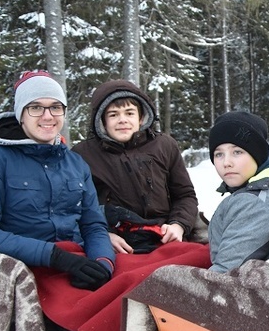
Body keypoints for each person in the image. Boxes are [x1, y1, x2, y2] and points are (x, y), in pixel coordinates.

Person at [0, 70, 116, 331]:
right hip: (30, 268)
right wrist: (56, 258)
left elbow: (93, 224)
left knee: (135, 305)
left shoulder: (75, 164)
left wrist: (103, 263)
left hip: (75, 262)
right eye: (36, 107)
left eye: (55, 107)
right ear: (20, 114)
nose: (48, 116)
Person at [73, 80, 199, 254]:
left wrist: (178, 225)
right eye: (113, 115)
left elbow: (185, 195)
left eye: (129, 113)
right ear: (101, 121)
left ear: (141, 118)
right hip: (118, 243)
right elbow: (76, 207)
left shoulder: (165, 145)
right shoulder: (82, 155)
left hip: (165, 236)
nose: (122, 120)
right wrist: (103, 235)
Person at [208, 111, 269, 273]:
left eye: (237, 152)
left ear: (257, 155)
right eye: (219, 154)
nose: (226, 162)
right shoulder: (268, 189)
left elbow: (224, 274)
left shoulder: (254, 204)